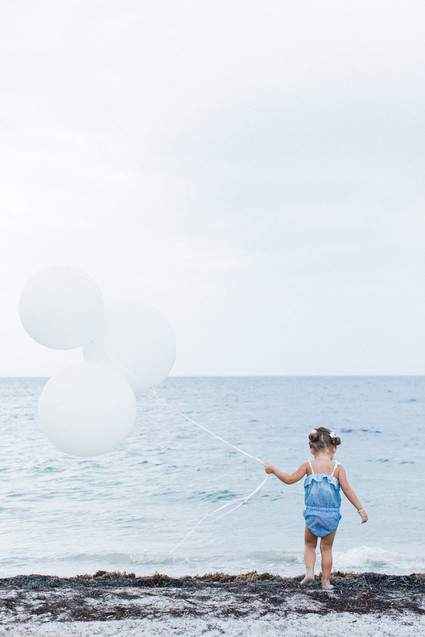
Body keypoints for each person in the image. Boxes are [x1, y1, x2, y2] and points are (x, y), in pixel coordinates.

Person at [264, 426, 368, 590]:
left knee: (309, 545)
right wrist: (360, 510)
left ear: (311, 449)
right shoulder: (338, 468)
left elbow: (289, 479)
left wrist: (273, 470)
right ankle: (326, 582)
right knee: (326, 549)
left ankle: (310, 572)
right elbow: (347, 490)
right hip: (331, 515)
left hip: (312, 513)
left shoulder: (308, 466)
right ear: (334, 449)